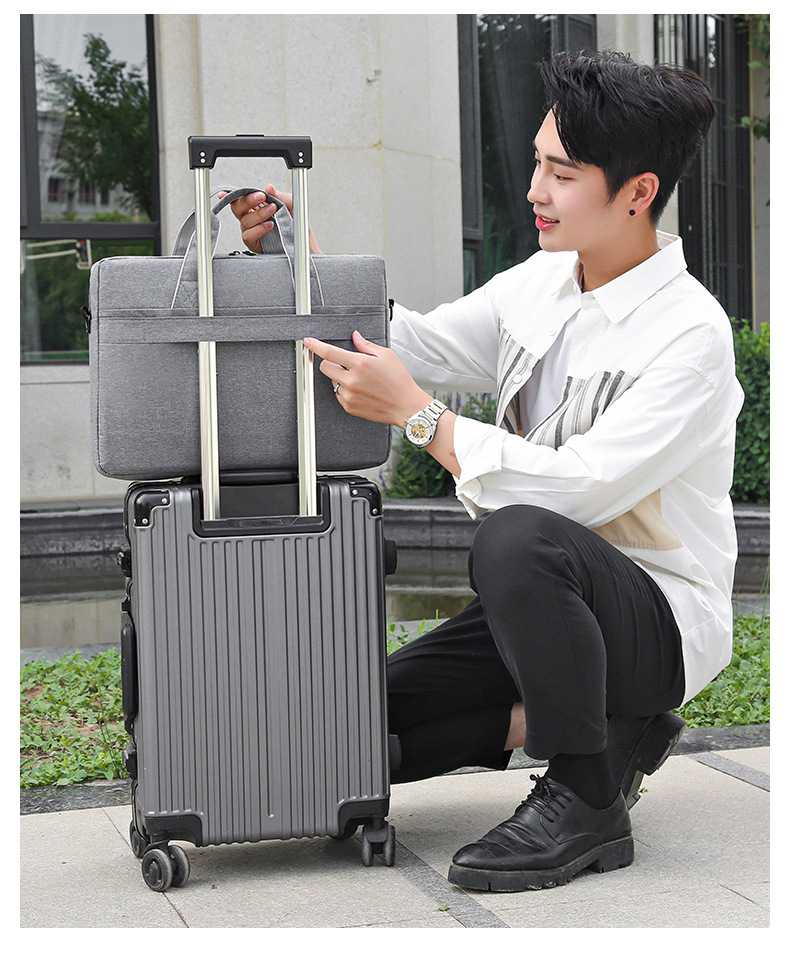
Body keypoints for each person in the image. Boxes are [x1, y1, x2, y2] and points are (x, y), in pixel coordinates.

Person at [225, 50, 744, 893]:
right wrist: (298, 258)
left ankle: (586, 795)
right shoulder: (540, 281)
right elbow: (409, 342)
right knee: (351, 727)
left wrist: (422, 419)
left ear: (638, 192)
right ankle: (608, 731)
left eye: (562, 173)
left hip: (654, 616)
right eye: (537, 162)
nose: (535, 189)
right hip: (542, 612)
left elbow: (578, 490)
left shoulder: (689, 333)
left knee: (517, 535)